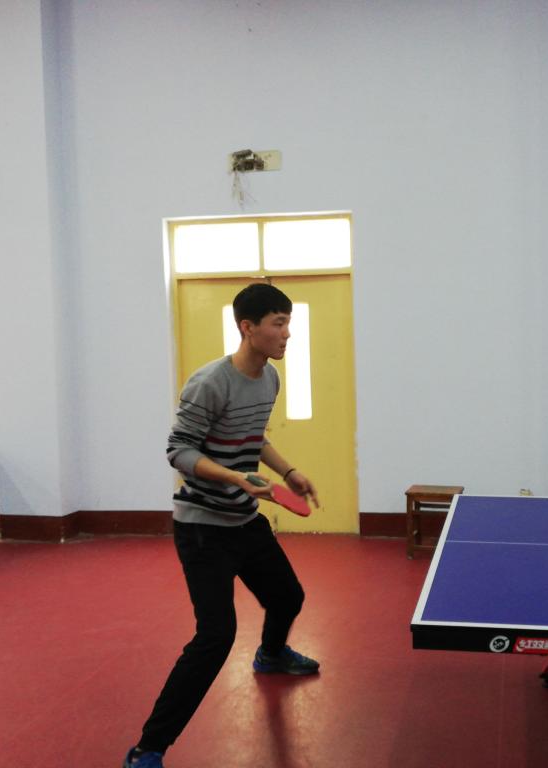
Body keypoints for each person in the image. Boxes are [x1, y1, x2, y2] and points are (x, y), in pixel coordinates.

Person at [124, 283, 321, 768]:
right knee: (215, 637)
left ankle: (271, 655)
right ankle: (148, 748)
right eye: (278, 323)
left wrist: (289, 472)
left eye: (288, 323)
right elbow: (179, 451)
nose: (287, 334)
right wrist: (236, 477)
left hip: (243, 519)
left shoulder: (269, 378)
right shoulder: (210, 382)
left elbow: (255, 437)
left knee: (288, 596)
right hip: (202, 528)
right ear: (248, 327)